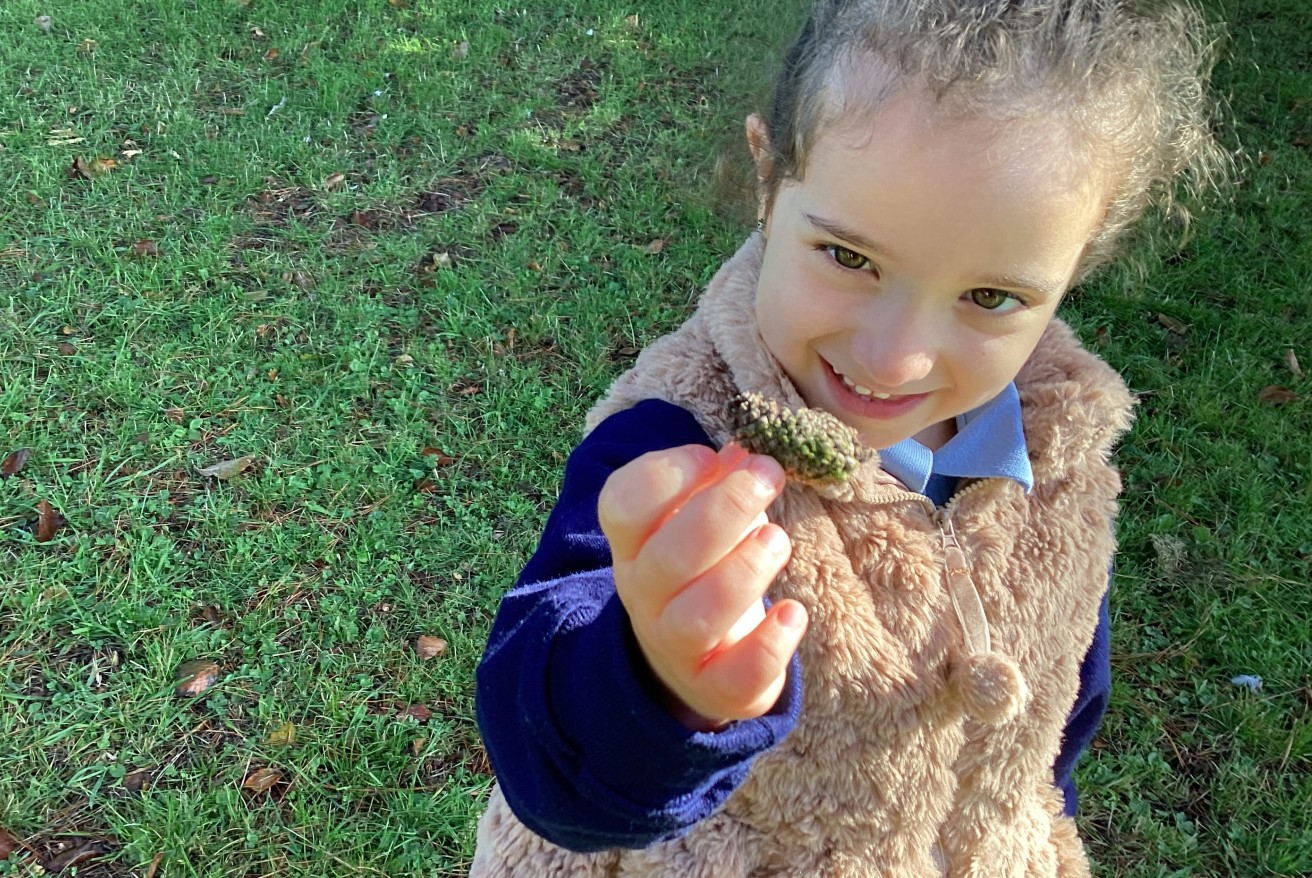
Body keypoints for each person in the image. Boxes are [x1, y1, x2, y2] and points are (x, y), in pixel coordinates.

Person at [469, 0, 1228, 875]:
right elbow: (548, 757)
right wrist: (659, 682)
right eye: (849, 258)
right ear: (769, 181)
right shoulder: (676, 442)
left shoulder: (1064, 465)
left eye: (990, 298)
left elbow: (1054, 725)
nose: (896, 359)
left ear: (1074, 265)